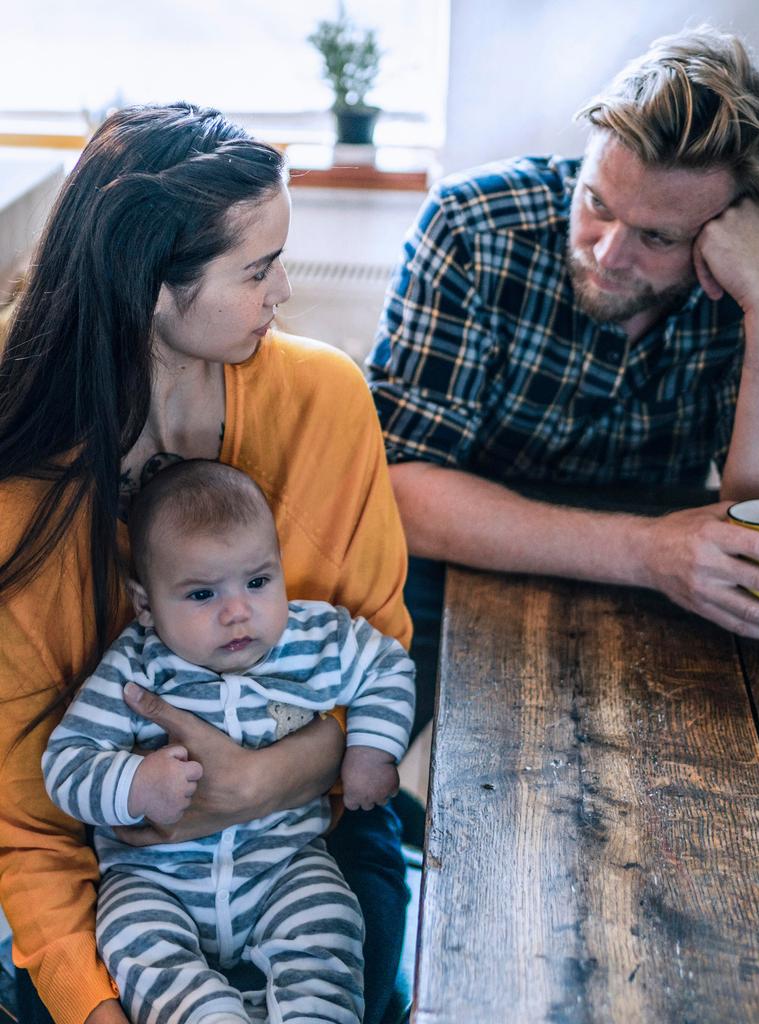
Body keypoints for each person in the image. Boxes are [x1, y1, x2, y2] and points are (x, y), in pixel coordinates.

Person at [0, 103, 411, 1024]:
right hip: (110, 874)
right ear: (151, 287)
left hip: (311, 843)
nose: (283, 295)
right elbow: (28, 817)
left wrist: (258, 781)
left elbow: (377, 666)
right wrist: (100, 1009)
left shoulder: (326, 403)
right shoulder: (15, 470)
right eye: (259, 270)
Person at [367, 25, 759, 739]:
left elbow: (753, 529)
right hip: (469, 538)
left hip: (673, 564)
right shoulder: (473, 226)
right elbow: (399, 493)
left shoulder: (751, 276)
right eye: (598, 204)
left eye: (659, 238)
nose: (609, 254)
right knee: (356, 732)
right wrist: (645, 552)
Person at [43, 460, 415, 1024]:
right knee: (131, 938)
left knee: (330, 923)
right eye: (201, 594)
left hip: (283, 865)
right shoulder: (136, 668)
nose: (237, 612)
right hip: (156, 881)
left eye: (259, 582)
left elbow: (387, 666)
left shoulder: (312, 638)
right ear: (146, 604)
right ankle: (208, 1014)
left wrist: (370, 749)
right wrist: (136, 784)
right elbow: (66, 764)